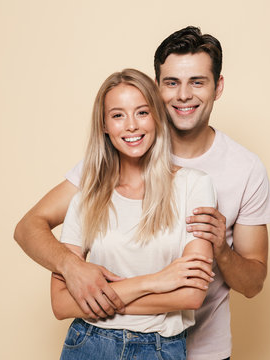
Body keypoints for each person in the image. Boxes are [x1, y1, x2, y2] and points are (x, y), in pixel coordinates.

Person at [15, 26, 270, 360]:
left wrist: (220, 251)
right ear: (156, 89)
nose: (183, 95)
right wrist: (73, 267)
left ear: (217, 86)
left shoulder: (240, 169)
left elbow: (250, 283)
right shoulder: (107, 166)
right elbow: (29, 229)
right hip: (95, 342)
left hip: (197, 349)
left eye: (197, 81)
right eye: (171, 82)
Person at [50, 68, 217, 359]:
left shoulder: (195, 185)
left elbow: (191, 295)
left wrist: (95, 298)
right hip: (89, 343)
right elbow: (62, 304)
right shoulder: (86, 198)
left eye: (141, 112)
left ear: (156, 117)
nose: (131, 126)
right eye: (117, 115)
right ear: (104, 125)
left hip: (160, 348)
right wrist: (155, 281)